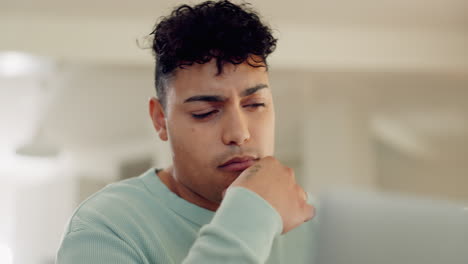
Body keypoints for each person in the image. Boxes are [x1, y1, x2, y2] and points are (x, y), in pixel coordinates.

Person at [57, 1, 318, 263]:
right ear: (161, 120)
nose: (239, 134)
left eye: (255, 104)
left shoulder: (315, 223)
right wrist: (251, 215)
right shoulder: (107, 226)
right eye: (205, 112)